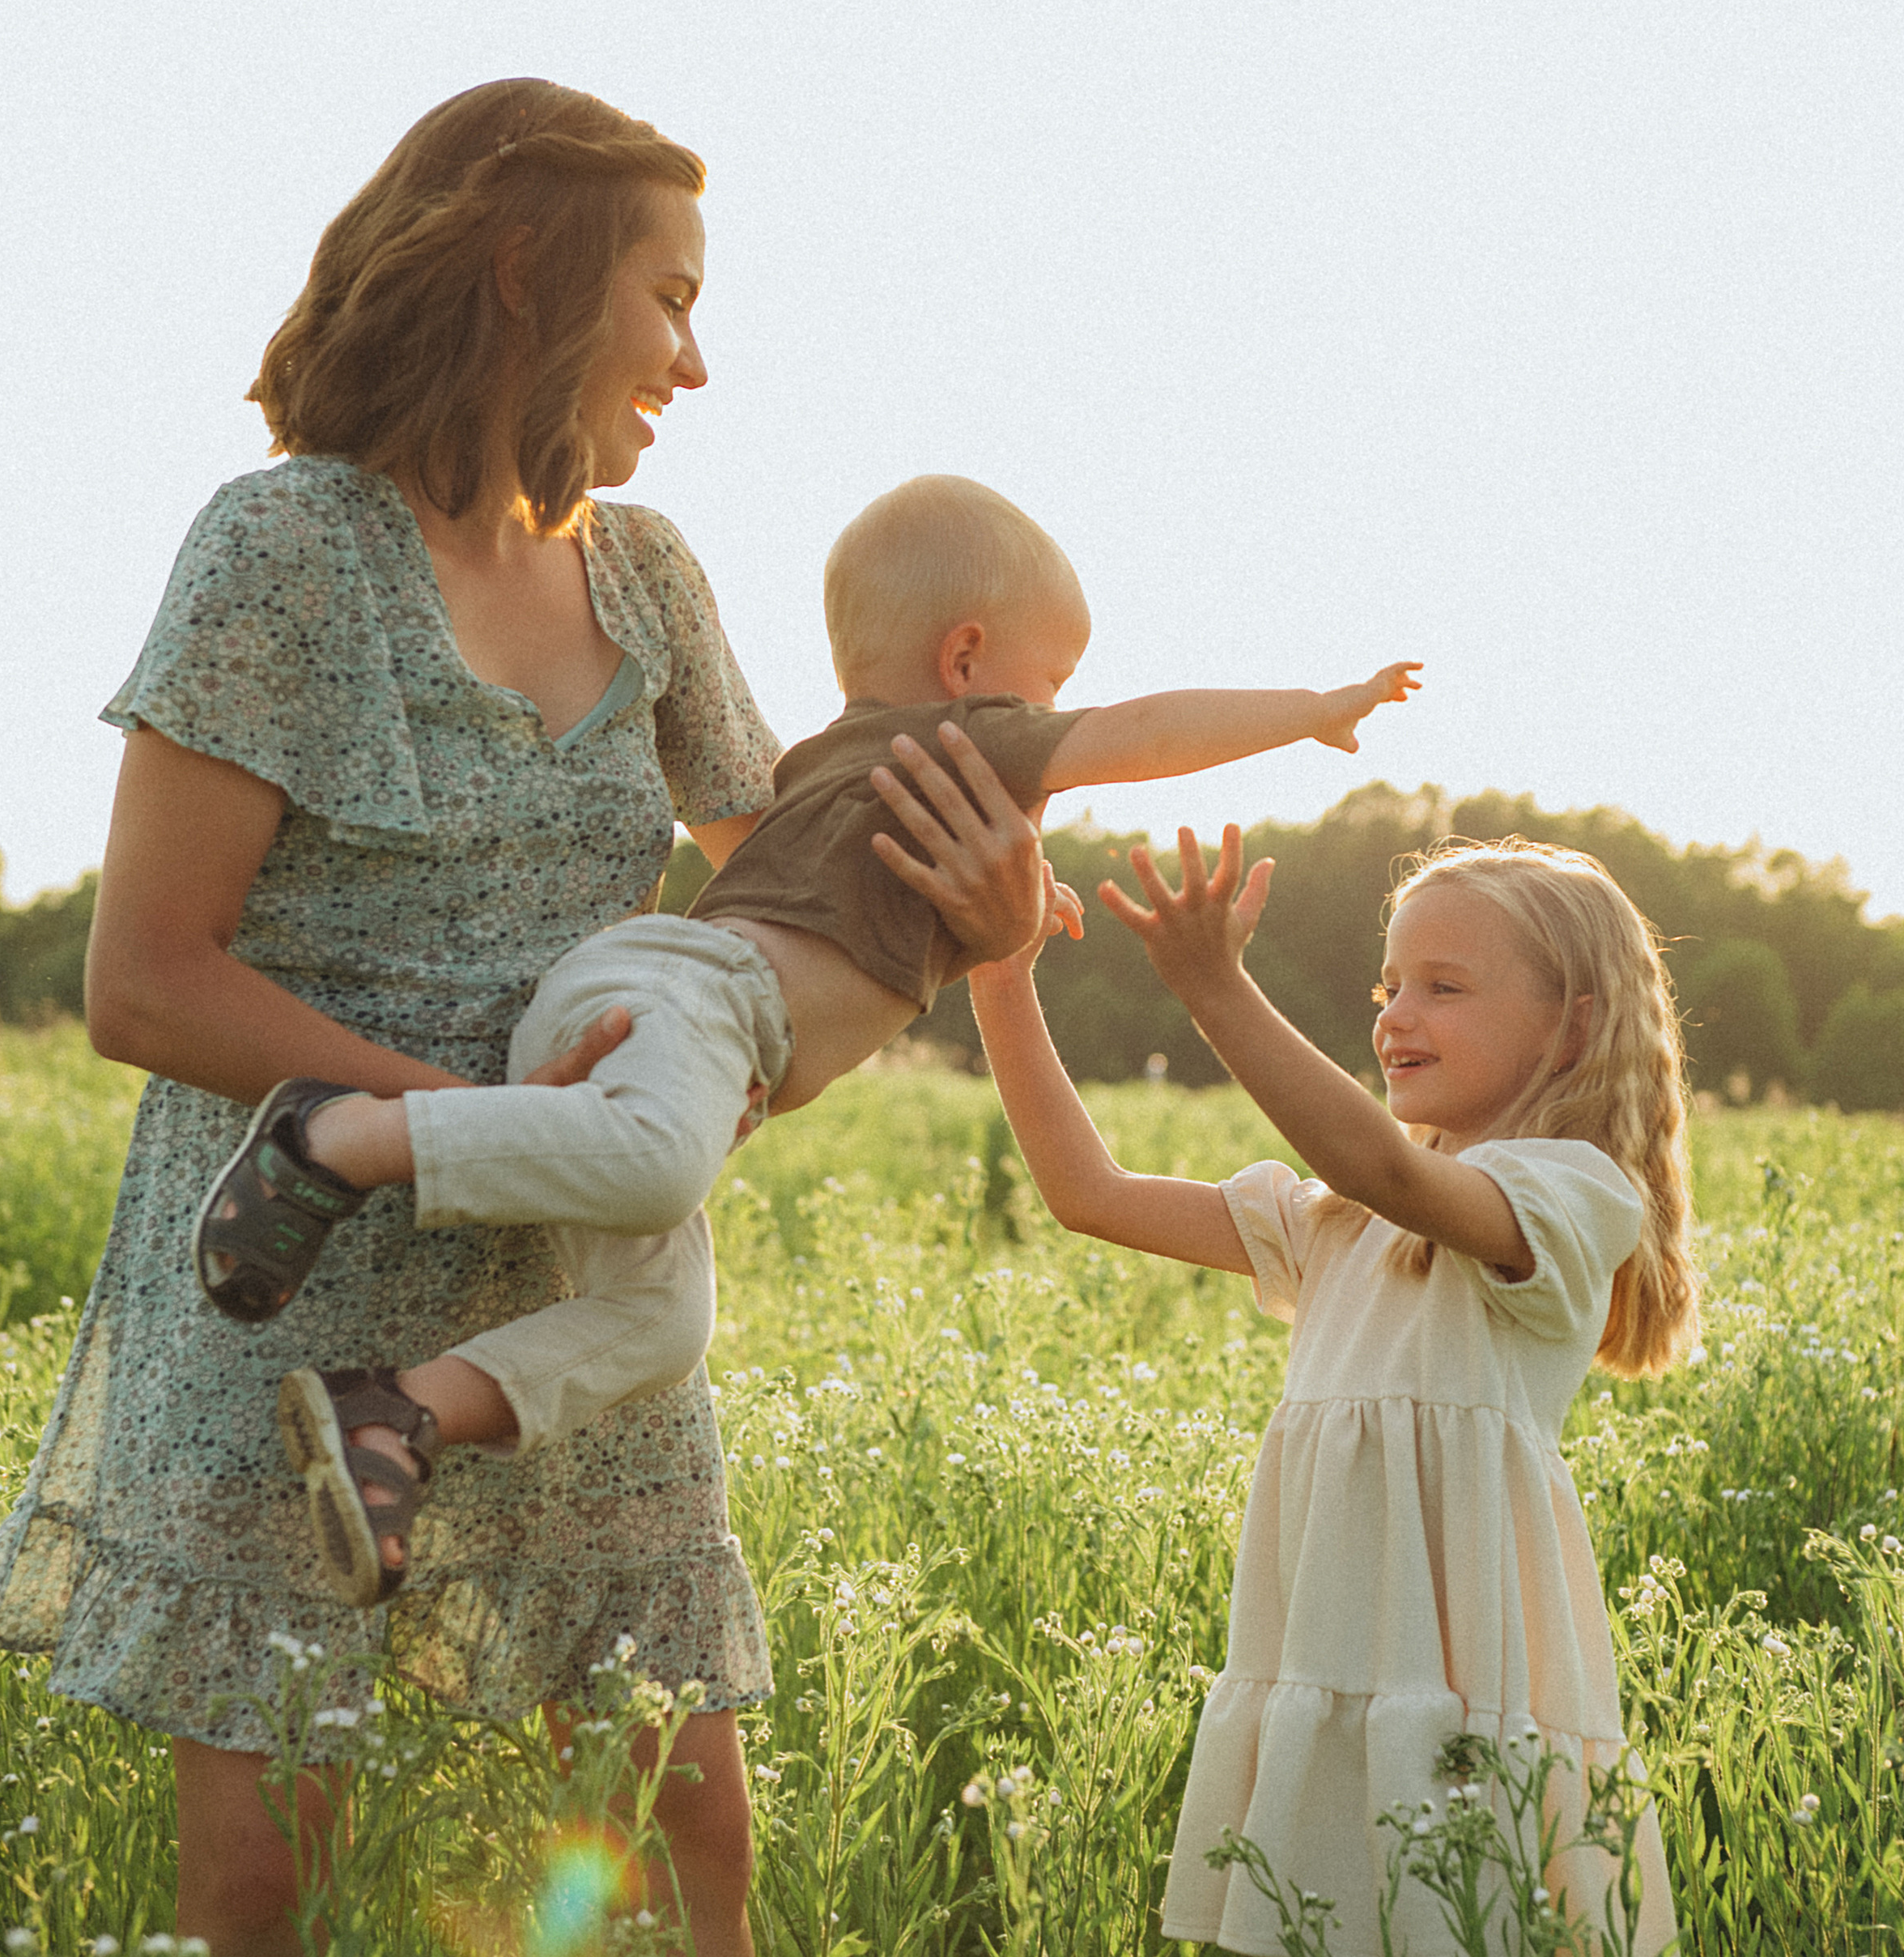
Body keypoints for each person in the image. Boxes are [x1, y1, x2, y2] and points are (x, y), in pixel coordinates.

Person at [0, 79, 1045, 1957]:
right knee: (264, 1873)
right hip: (290, 1264)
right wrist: (464, 1124)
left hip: (565, 1301)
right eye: (669, 297)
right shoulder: (282, 552)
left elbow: (785, 915)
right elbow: (146, 979)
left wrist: (973, 915)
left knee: (679, 1814)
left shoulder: (649, 578)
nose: (696, 358)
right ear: (524, 276)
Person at [193, 470, 1421, 1605]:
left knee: (663, 1322)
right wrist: (1314, 711)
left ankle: (396, 1415)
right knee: (661, 1167)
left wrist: (1011, 916)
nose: (1053, 722)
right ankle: (331, 1140)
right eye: (1049, 690)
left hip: (662, 1018)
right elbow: (1145, 731)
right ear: (966, 661)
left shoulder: (849, 761)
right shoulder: (967, 737)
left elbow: (873, 902)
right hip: (692, 999)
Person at [964, 826, 1698, 1957]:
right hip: (1327, 1682)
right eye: (1384, 982)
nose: (1393, 1013)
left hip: (1470, 1692)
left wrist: (1214, 988)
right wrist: (1004, 982)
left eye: (1442, 984)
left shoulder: (1564, 1199)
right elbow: (1087, 1195)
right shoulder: (1335, 1221)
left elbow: (1382, 1156)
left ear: (1572, 1023)